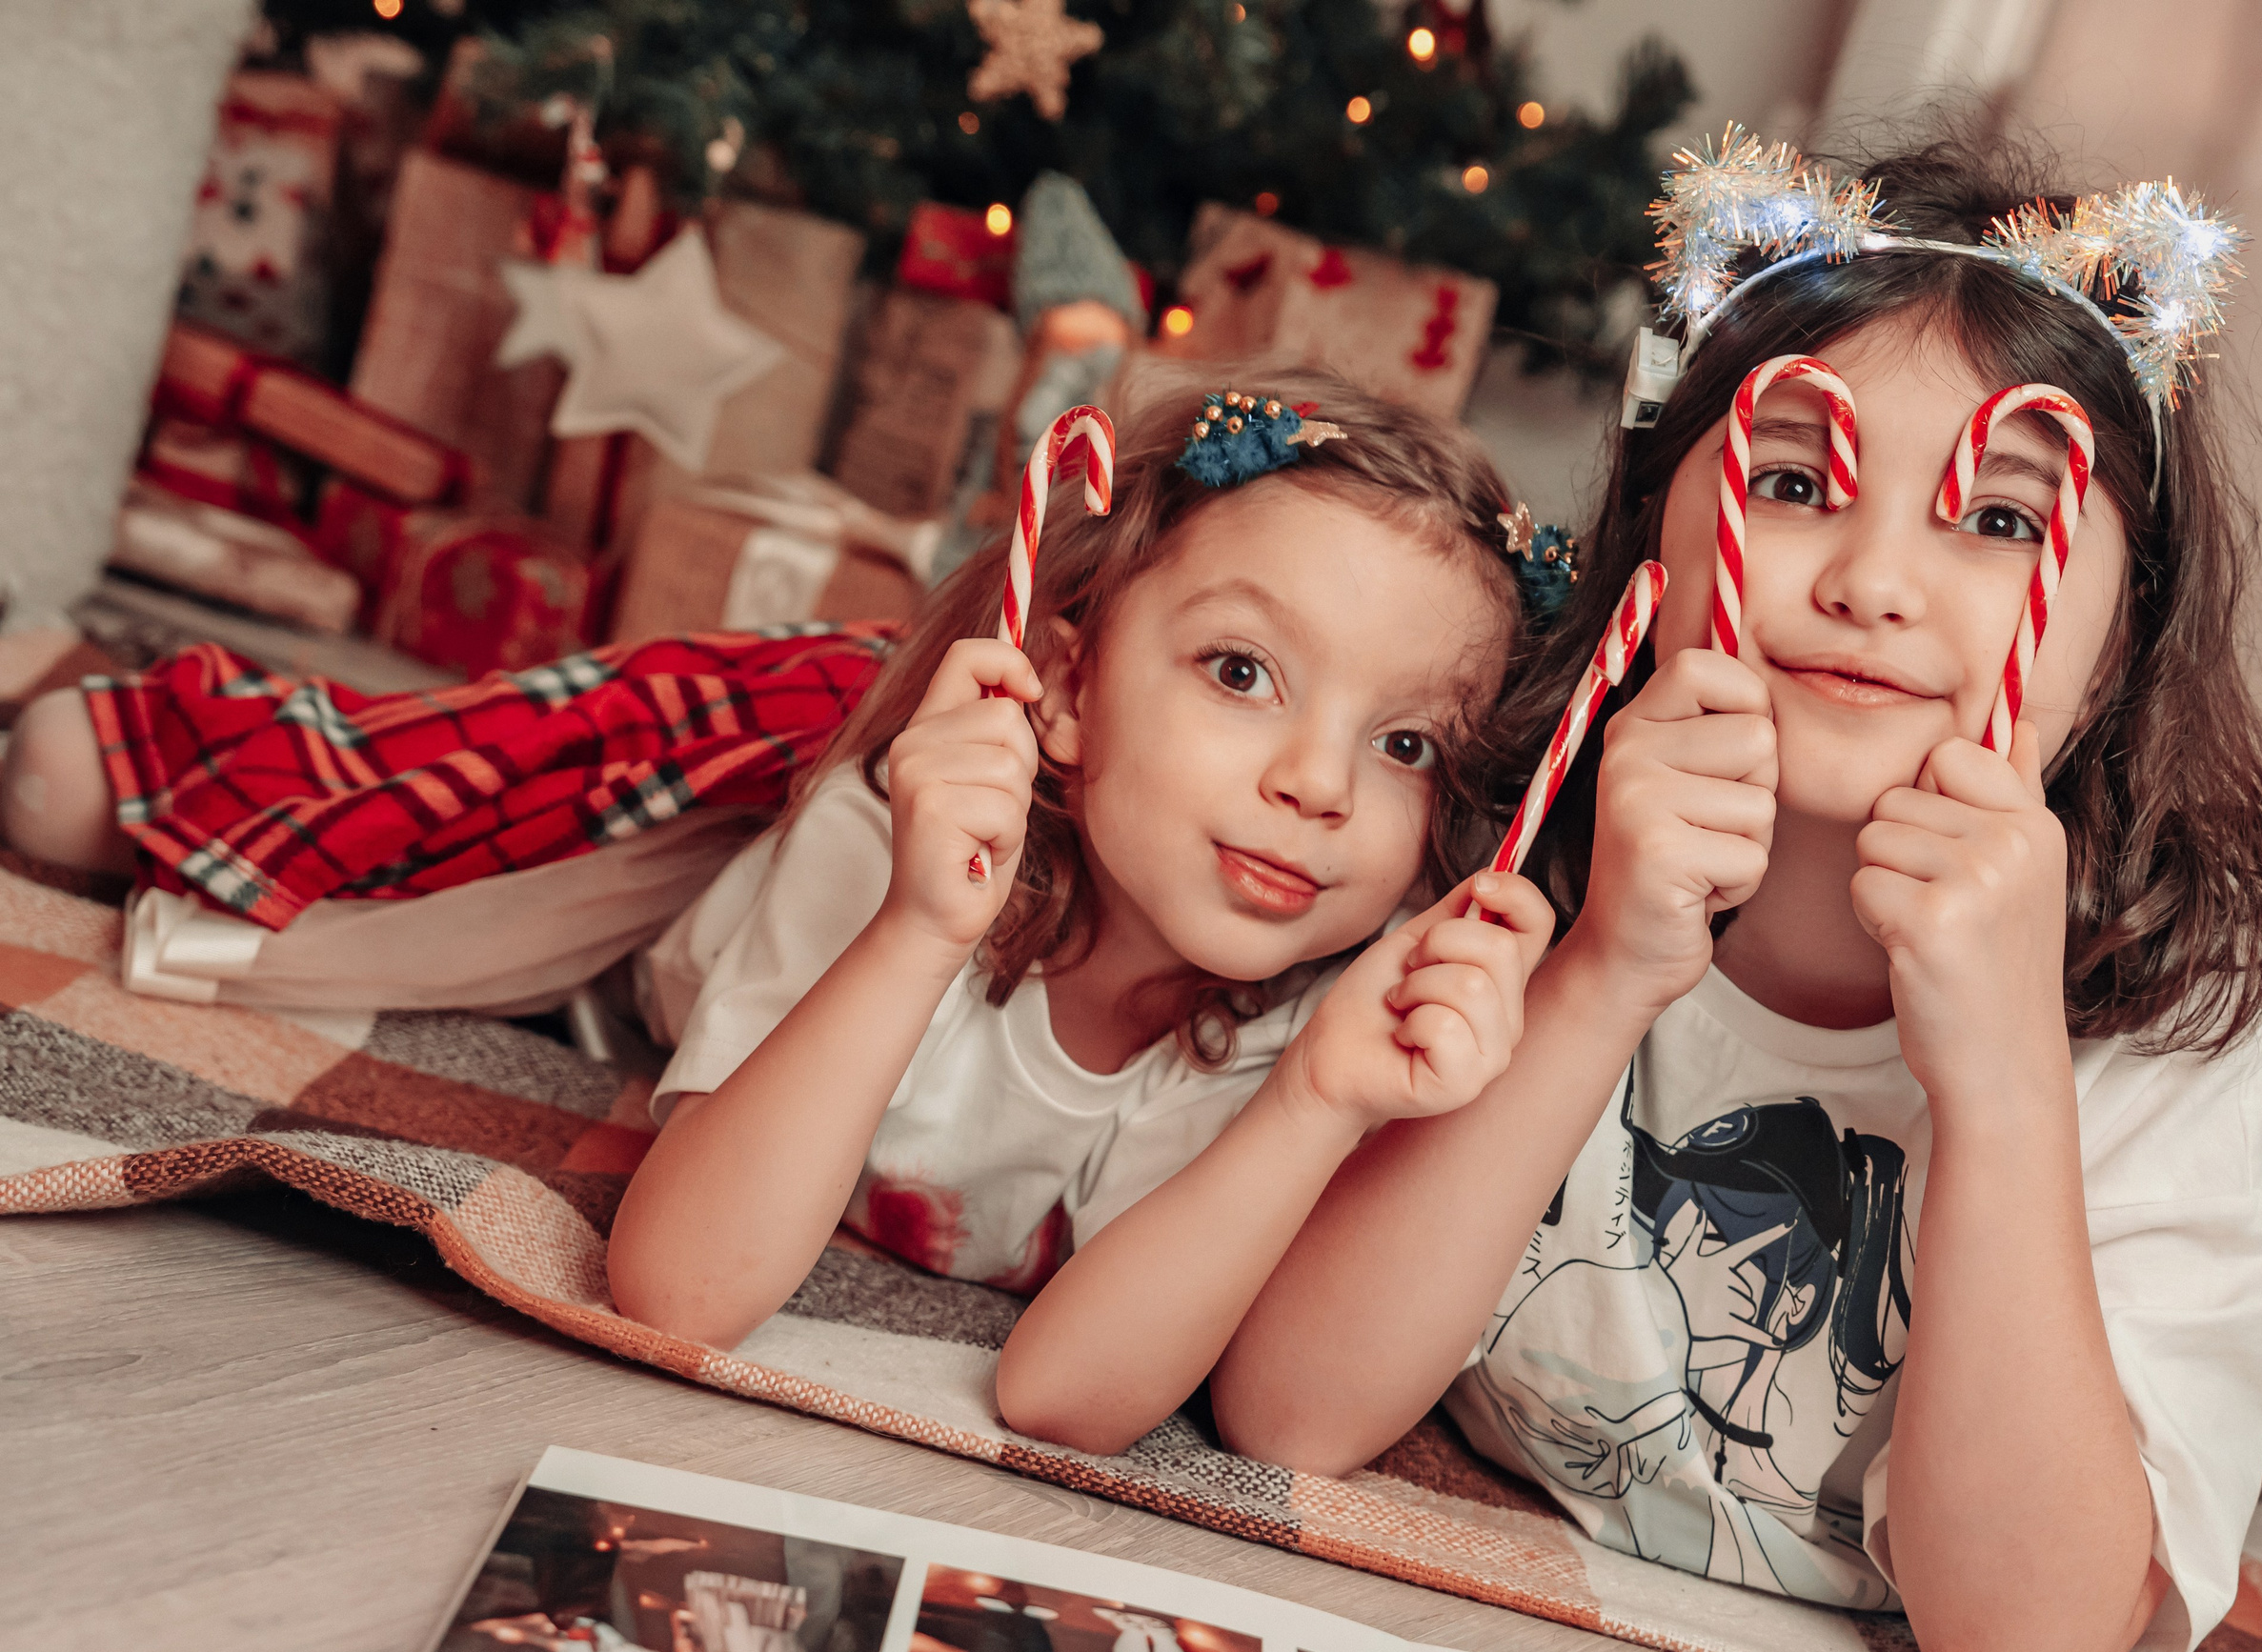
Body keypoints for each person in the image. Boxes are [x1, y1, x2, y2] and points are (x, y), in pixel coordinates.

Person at [1207, 137, 2262, 1652]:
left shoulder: (2185, 1018)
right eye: (1796, 485)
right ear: (1654, 539)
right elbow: (1290, 1409)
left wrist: (2007, 1081)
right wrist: (1606, 963)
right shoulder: (1507, 822)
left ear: (2124, 631)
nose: (1875, 579)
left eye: (2000, 521)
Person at [600, 370, 1551, 1361]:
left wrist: (1313, 1101)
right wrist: (915, 933)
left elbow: (1068, 1396)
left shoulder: (1332, 1014)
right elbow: (679, 1291)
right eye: (1241, 671)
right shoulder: (887, 843)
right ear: (1064, 685)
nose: (1319, 785)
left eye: (1407, 745)